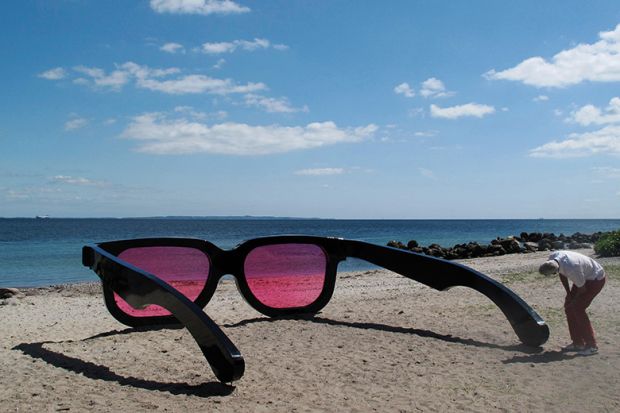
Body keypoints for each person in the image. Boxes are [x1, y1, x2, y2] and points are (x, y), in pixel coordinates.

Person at [539, 250, 606, 356]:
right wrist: (569, 294)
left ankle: (592, 346)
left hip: (595, 279)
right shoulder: (553, 258)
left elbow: (582, 289)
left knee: (577, 308)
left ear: (553, 271)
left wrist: (574, 300)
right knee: (569, 307)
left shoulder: (572, 269)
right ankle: (578, 343)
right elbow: (562, 275)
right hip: (584, 277)